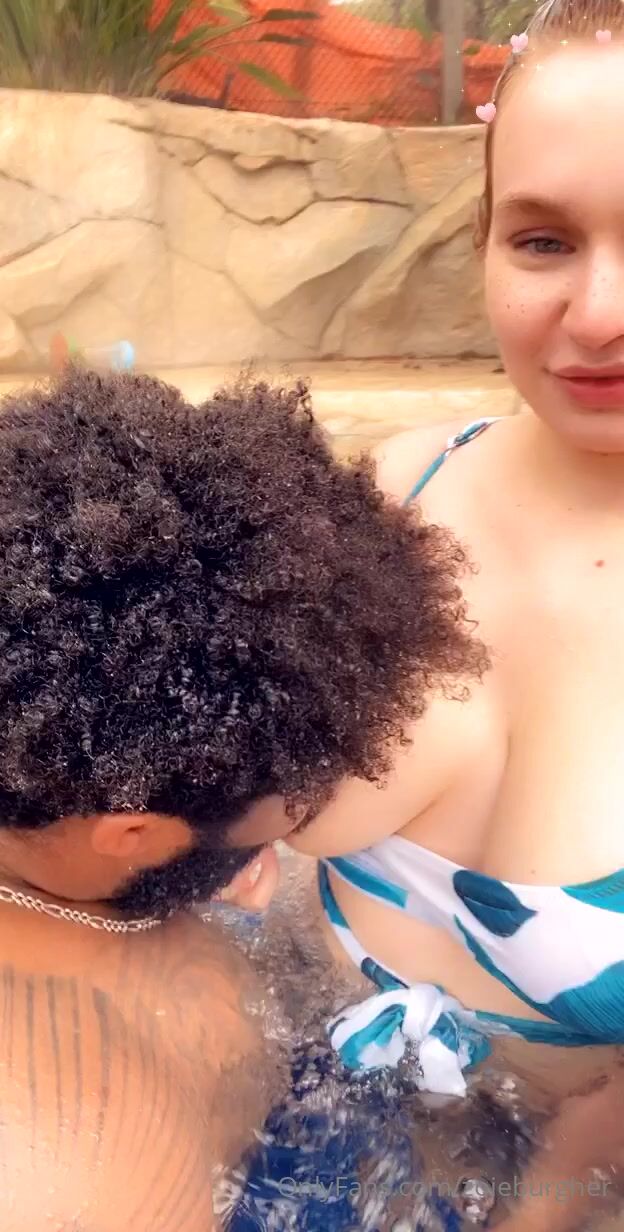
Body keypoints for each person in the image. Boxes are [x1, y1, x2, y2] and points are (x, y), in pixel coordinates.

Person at [247, 1, 624, 1226]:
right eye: (544, 239)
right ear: (484, 241)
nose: (598, 313)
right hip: (268, 1119)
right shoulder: (393, 490)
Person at [0, 365, 483, 1231]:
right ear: (133, 829)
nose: (310, 806)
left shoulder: (62, 824)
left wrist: (200, 853)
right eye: (294, 793)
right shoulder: (82, 1172)